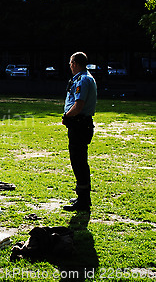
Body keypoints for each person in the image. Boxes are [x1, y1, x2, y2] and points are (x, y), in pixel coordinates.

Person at [62, 52, 97, 212]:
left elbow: (79, 104)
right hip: (80, 124)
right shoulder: (83, 78)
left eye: (71, 63)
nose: (70, 66)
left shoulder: (83, 80)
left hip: (80, 124)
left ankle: (83, 200)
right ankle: (82, 196)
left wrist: (66, 116)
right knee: (78, 161)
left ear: (75, 63)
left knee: (79, 162)